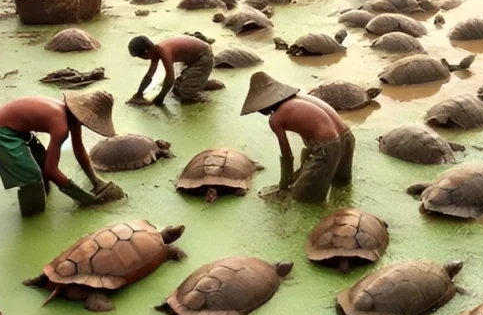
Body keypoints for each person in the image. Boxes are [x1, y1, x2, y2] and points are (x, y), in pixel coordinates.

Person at [0, 91, 123, 216]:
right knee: (31, 176)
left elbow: (79, 149)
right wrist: (83, 197)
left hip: (19, 129)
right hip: (2, 130)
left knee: (41, 159)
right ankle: (32, 216)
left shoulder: (72, 118)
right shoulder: (60, 126)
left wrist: (96, 180)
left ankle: (43, 192)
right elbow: (51, 171)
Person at [239, 71, 354, 203]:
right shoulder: (302, 98)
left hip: (328, 146)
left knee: (304, 197)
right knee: (340, 185)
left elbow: (287, 154)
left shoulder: (276, 119)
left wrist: (284, 185)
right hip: (348, 137)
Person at [127, 34, 214, 105]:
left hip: (203, 57)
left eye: (140, 57)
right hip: (192, 59)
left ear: (146, 53)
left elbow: (170, 78)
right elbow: (149, 75)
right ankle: (199, 82)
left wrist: (160, 98)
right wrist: (139, 94)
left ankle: (206, 98)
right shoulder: (155, 52)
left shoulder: (163, 51)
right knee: (176, 89)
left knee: (187, 95)